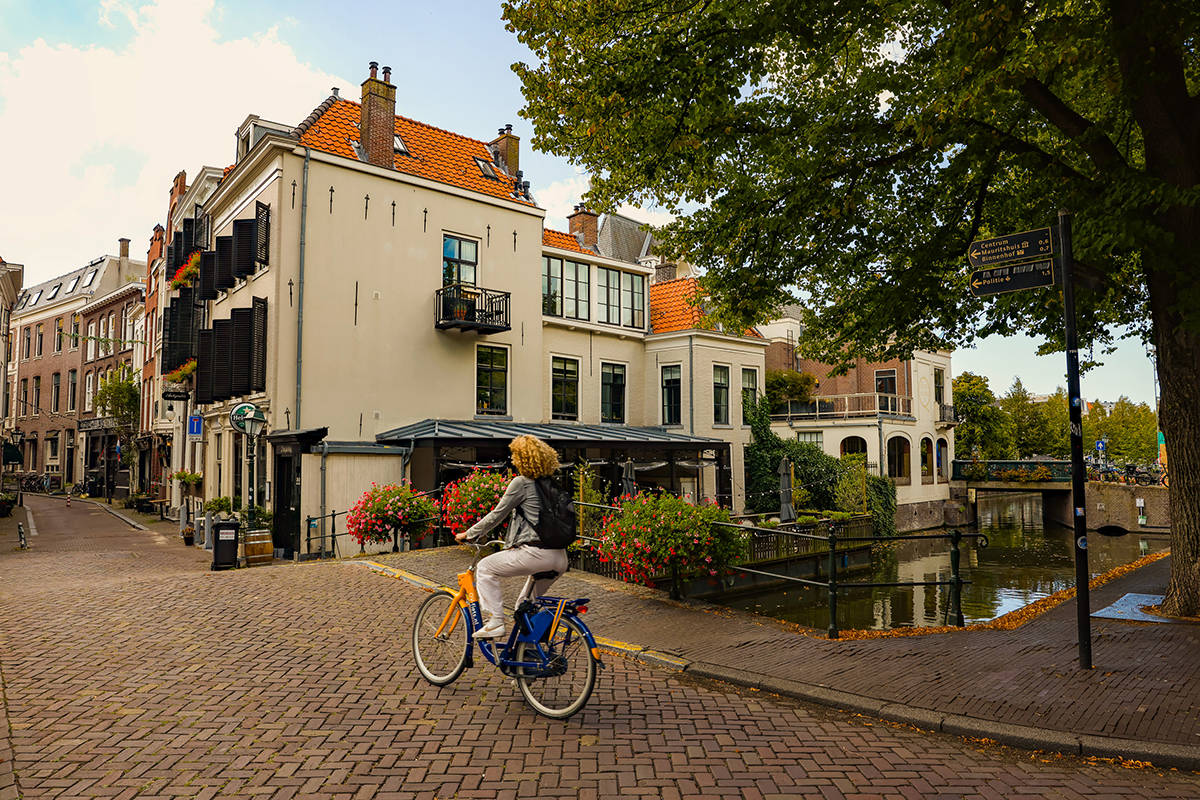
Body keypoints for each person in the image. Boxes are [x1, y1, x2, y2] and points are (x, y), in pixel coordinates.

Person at [454, 434, 568, 639]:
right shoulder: (553, 486)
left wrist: (469, 534)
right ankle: (531, 652)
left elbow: (497, 515)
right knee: (523, 607)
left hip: (535, 554)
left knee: (485, 568)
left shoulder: (521, 483)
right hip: (560, 558)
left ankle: (496, 621)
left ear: (521, 459)